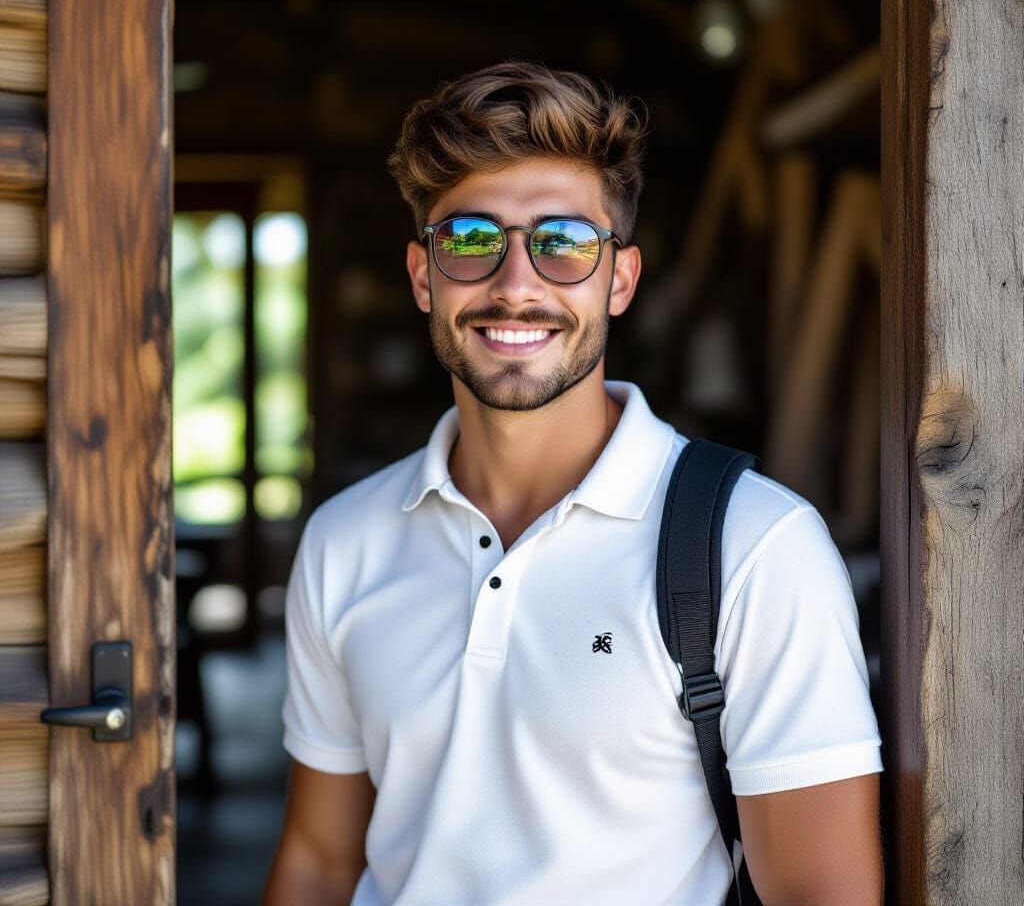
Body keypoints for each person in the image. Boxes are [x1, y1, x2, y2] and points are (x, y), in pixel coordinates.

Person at [262, 61, 884, 906]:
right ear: (422, 276)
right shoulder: (345, 540)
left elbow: (820, 894)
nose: (516, 286)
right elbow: (319, 862)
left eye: (562, 244)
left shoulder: (755, 548)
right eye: (473, 241)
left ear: (619, 280)